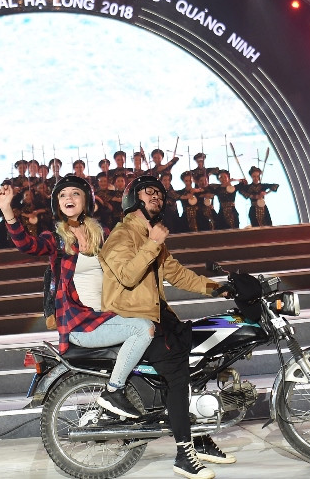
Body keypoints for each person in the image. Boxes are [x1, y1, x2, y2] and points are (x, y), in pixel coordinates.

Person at [98, 175, 236, 479]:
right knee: (177, 374)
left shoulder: (152, 237)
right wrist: (152, 243)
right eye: (149, 193)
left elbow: (179, 275)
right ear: (134, 199)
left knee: (200, 361)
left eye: (160, 195)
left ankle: (198, 438)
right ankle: (184, 454)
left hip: (161, 317)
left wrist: (217, 288)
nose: (157, 198)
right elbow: (127, 277)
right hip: (135, 319)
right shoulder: (121, 236)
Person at [0, 175, 154, 419]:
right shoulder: (57, 238)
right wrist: (7, 210)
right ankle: (114, 391)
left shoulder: (103, 234)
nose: (68, 198)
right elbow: (27, 245)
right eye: (63, 195)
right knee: (143, 329)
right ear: (58, 204)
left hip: (108, 315)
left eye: (75, 193)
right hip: (81, 323)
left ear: (86, 200)